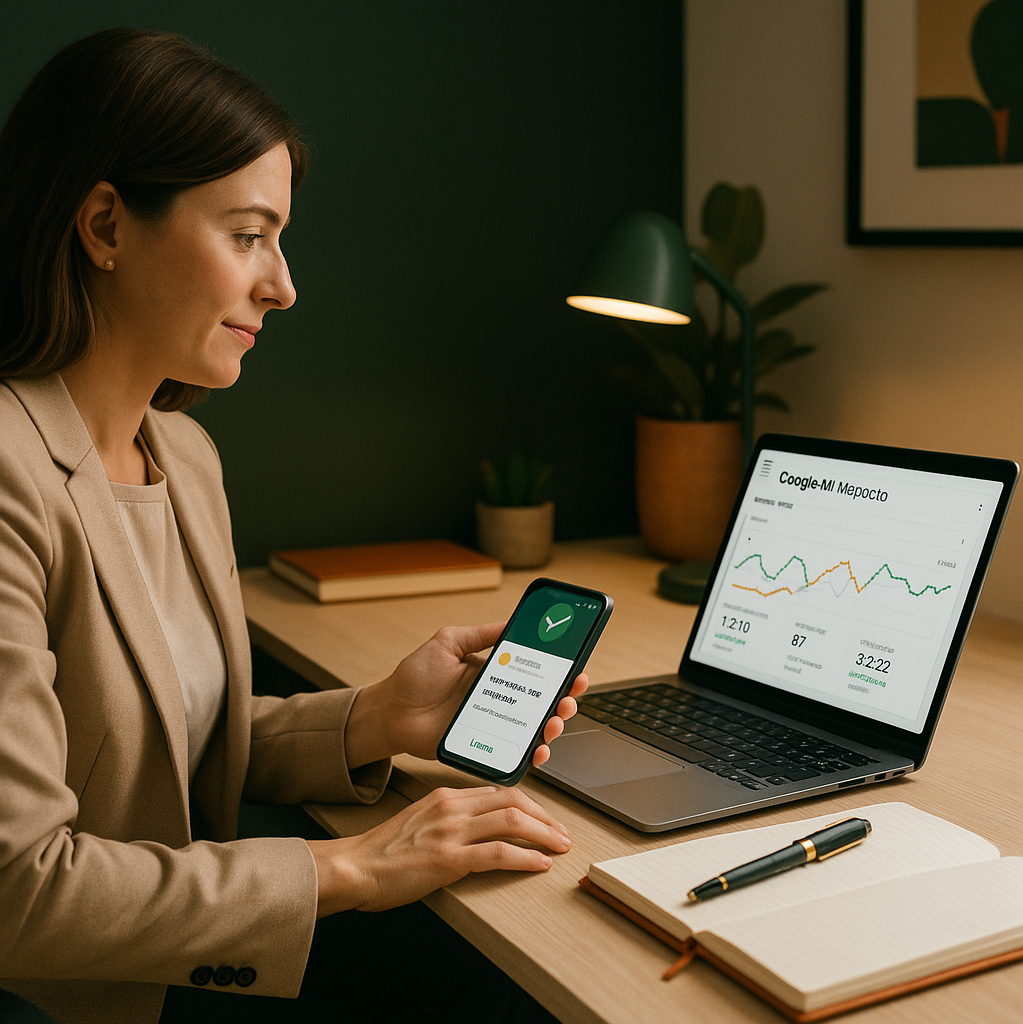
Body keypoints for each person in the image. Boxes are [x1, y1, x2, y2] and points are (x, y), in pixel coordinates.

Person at [0, 28, 586, 1024]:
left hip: (190, 942)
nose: (283, 284)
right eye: (247, 235)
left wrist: (380, 716)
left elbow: (162, 739)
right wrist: (351, 866)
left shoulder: (182, 455)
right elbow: (19, 891)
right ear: (104, 225)